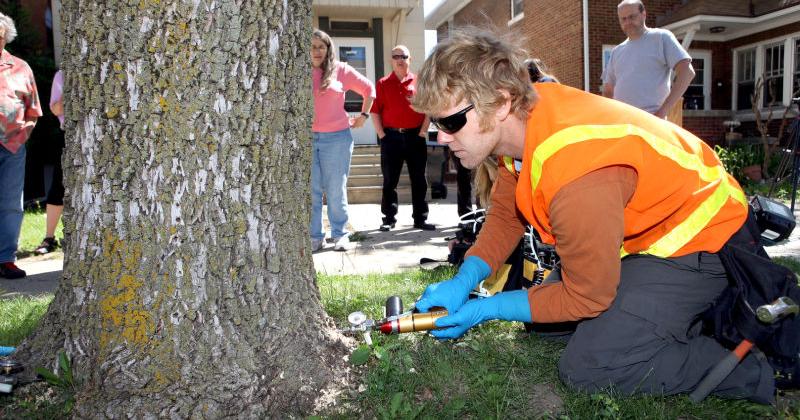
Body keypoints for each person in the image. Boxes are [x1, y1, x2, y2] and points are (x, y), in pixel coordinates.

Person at [411, 28, 782, 404]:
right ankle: (664, 318)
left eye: (451, 122)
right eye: (435, 123)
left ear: (502, 103)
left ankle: (754, 365)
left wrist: (488, 308)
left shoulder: (576, 173)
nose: (440, 137)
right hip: (649, 237)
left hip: (704, 243)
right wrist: (465, 279)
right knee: (545, 324)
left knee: (589, 367)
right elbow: (508, 216)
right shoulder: (527, 123)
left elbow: (587, 297)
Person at [310, 29, 375, 252]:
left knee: (335, 190)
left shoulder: (341, 70)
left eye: (321, 46)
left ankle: (340, 234)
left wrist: (364, 116)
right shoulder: (299, 71)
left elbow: (369, 89)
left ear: (328, 49)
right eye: (312, 46)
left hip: (337, 139)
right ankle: (315, 237)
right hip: (307, 139)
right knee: (312, 191)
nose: (317, 51)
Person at [370, 45, 434, 231]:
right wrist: (382, 135)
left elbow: (428, 109)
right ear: (391, 60)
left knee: (419, 180)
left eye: (403, 56)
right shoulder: (383, 83)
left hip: (415, 137)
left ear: (409, 59)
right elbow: (375, 111)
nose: (400, 59)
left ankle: (420, 219)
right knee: (390, 181)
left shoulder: (419, 81)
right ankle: (389, 219)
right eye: (396, 56)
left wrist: (423, 132)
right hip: (391, 138)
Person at [0, 13, 42, 279]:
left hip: (13, 145)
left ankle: (6, 259)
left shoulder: (21, 67)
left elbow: (33, 109)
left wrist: (25, 132)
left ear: (5, 37)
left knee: (11, 204)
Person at [601, 0, 695, 119]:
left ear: (643, 14)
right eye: (623, 19)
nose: (628, 22)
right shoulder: (617, 51)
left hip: (651, 122)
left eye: (632, 17)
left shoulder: (661, 38)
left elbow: (687, 72)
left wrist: (662, 112)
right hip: (622, 123)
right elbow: (608, 91)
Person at [35, 69, 65, 255]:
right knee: (58, 185)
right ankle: (49, 238)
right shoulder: (62, 75)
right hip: (69, 135)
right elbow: (56, 109)